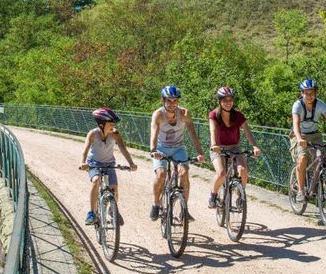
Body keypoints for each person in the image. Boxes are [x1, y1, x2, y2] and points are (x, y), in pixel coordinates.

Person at [149, 85, 205, 221]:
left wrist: (200, 153)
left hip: (178, 148)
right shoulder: (158, 114)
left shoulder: (184, 114)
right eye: (169, 101)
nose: (172, 104)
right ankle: (156, 204)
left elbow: (192, 134)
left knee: (184, 174)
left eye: (175, 101)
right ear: (163, 101)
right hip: (161, 149)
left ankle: (184, 209)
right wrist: (153, 150)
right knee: (161, 174)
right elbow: (154, 134)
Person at [291, 78, 326, 198]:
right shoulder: (297, 105)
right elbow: (296, 124)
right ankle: (301, 191)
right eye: (306, 93)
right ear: (302, 93)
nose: (309, 95)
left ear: (316, 93)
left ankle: (317, 185)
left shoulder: (320, 105)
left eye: (312, 93)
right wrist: (300, 138)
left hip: (315, 135)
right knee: (302, 158)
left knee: (320, 158)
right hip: (299, 135)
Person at [80, 107, 137, 226]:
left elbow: (123, 148)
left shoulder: (115, 134)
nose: (113, 126)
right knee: (96, 181)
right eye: (110, 123)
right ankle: (91, 213)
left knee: (114, 187)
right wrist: (83, 163)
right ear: (101, 124)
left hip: (109, 163)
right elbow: (85, 150)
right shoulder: (93, 134)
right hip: (94, 163)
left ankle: (112, 209)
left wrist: (131, 163)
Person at [207, 86, 261, 209]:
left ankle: (240, 196)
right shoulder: (214, 114)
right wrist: (214, 144)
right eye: (224, 100)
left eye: (230, 100)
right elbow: (212, 130)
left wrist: (255, 146)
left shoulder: (237, 115)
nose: (228, 103)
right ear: (219, 101)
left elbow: (247, 131)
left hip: (234, 147)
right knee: (221, 173)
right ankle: (213, 195)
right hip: (218, 147)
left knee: (242, 170)